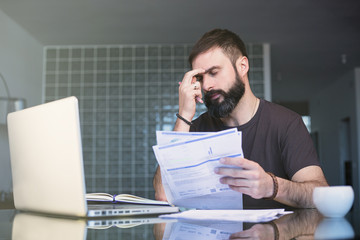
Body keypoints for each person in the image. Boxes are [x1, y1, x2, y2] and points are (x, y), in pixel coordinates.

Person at [153, 28, 328, 209]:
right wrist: (184, 117)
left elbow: (320, 195)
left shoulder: (287, 123)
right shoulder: (193, 129)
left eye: (214, 72)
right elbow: (162, 195)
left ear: (242, 66)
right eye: (200, 78)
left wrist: (271, 186)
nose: (206, 85)